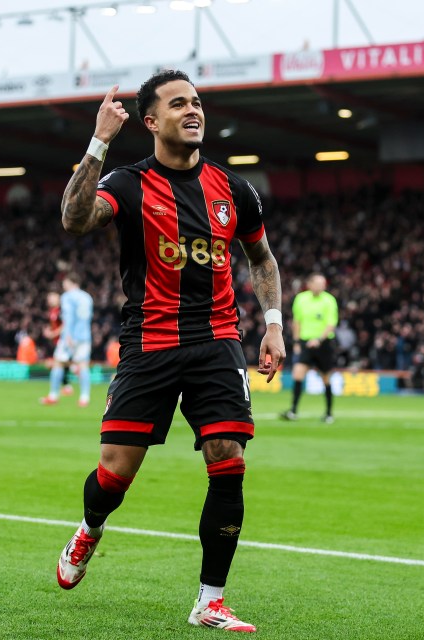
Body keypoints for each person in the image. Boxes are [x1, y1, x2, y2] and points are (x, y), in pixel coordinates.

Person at [54, 71, 285, 633]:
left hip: (216, 342)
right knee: (114, 475)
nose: (193, 110)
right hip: (149, 344)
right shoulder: (128, 183)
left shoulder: (235, 190)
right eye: (178, 103)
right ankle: (89, 528)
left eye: (197, 102)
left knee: (228, 461)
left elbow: (263, 259)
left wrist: (274, 324)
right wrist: (98, 141)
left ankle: (210, 599)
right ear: (151, 121)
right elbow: (74, 219)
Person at [280, 273, 339, 424]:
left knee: (326, 377)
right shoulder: (301, 299)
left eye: (323, 284)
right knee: (298, 375)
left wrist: (319, 339)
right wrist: (297, 342)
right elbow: (296, 322)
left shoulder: (329, 300)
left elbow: (331, 324)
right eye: (318, 283)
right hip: (305, 343)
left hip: (323, 344)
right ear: (310, 284)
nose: (321, 286)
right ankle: (293, 410)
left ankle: (328, 413)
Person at [40, 275, 94, 407]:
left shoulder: (67, 297)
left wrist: (69, 335)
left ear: (71, 283)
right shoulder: (87, 297)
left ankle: (53, 395)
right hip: (85, 336)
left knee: (58, 363)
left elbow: (68, 318)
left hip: (70, 336)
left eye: (65, 283)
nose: (64, 286)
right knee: (83, 366)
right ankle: (84, 398)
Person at [43, 290, 74, 396]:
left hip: (63, 340)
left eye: (52, 297)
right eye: (49, 297)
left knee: (58, 363)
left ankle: (55, 393)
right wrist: (49, 331)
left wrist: (53, 334)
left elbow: (65, 325)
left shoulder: (61, 310)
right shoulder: (53, 311)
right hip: (57, 340)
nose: (49, 299)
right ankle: (67, 386)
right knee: (61, 363)